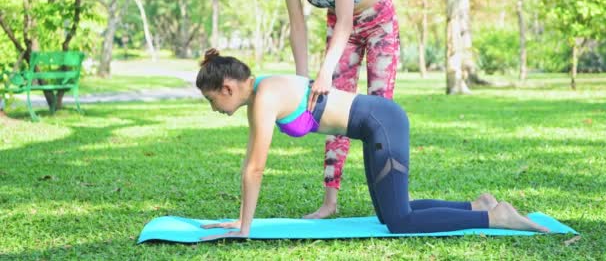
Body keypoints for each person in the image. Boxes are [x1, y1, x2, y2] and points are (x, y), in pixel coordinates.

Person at [196, 49, 548, 240]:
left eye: (212, 101)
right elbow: (251, 166)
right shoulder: (263, 90)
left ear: (227, 88)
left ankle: (495, 216)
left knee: (400, 222)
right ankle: (476, 204)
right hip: (374, 125)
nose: (215, 109)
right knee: (388, 214)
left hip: (382, 122)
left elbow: (255, 169)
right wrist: (242, 221)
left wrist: (244, 229)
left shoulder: (265, 97)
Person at [268, 0, 401, 219]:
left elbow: (346, 21)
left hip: (378, 22)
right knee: (334, 109)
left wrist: (325, 70)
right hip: (342, 27)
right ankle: (330, 202)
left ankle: (388, 199)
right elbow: (297, 25)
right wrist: (302, 80)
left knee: (380, 109)